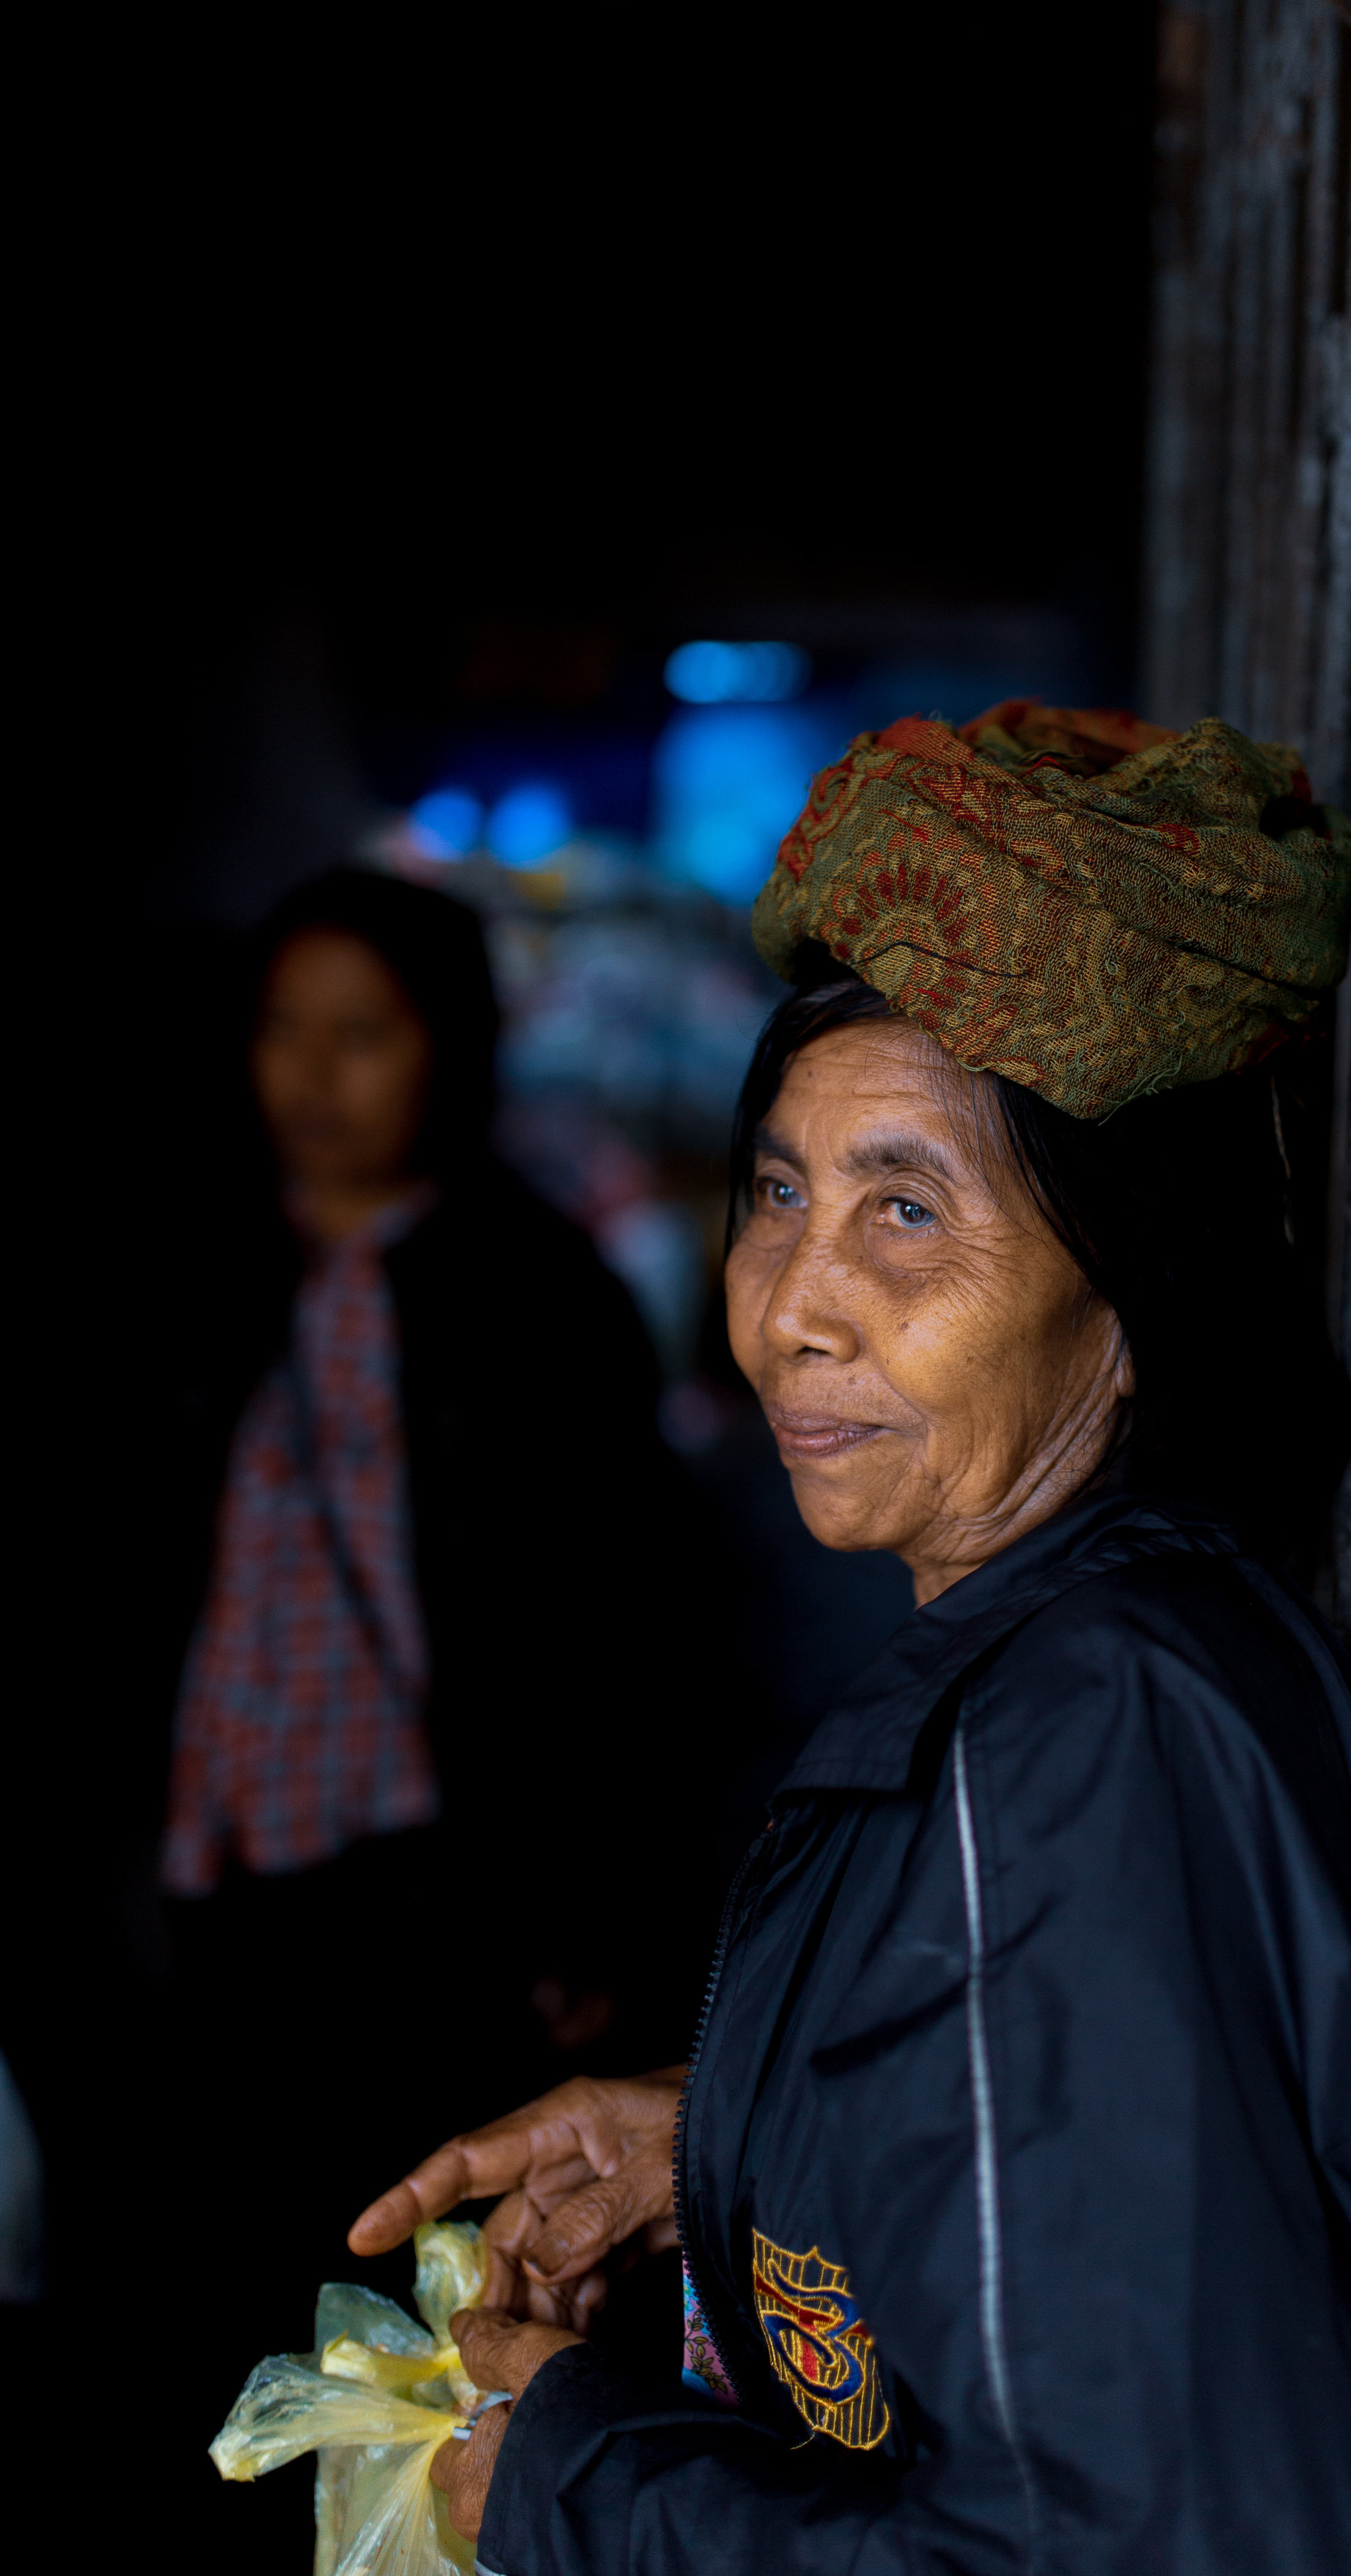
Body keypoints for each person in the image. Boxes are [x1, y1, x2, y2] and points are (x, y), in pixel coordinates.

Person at [347, 707, 1351, 2574]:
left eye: (906, 1212)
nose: (795, 1304)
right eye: (780, 1194)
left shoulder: (1087, 1743)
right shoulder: (1068, 1660)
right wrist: (724, 2144)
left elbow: (1116, 2549)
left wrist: (570, 2479)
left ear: (1127, 1301)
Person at [139, 869, 719, 2564]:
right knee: (180, 2308)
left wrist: (598, 1912)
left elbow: (636, 1640)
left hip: (432, 1913)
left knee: (394, 2319)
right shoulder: (175, 1275)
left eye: (362, 1036)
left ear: (446, 1053)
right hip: (195, 1904)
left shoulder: (540, 1301)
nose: (314, 1076)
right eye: (284, 1032)